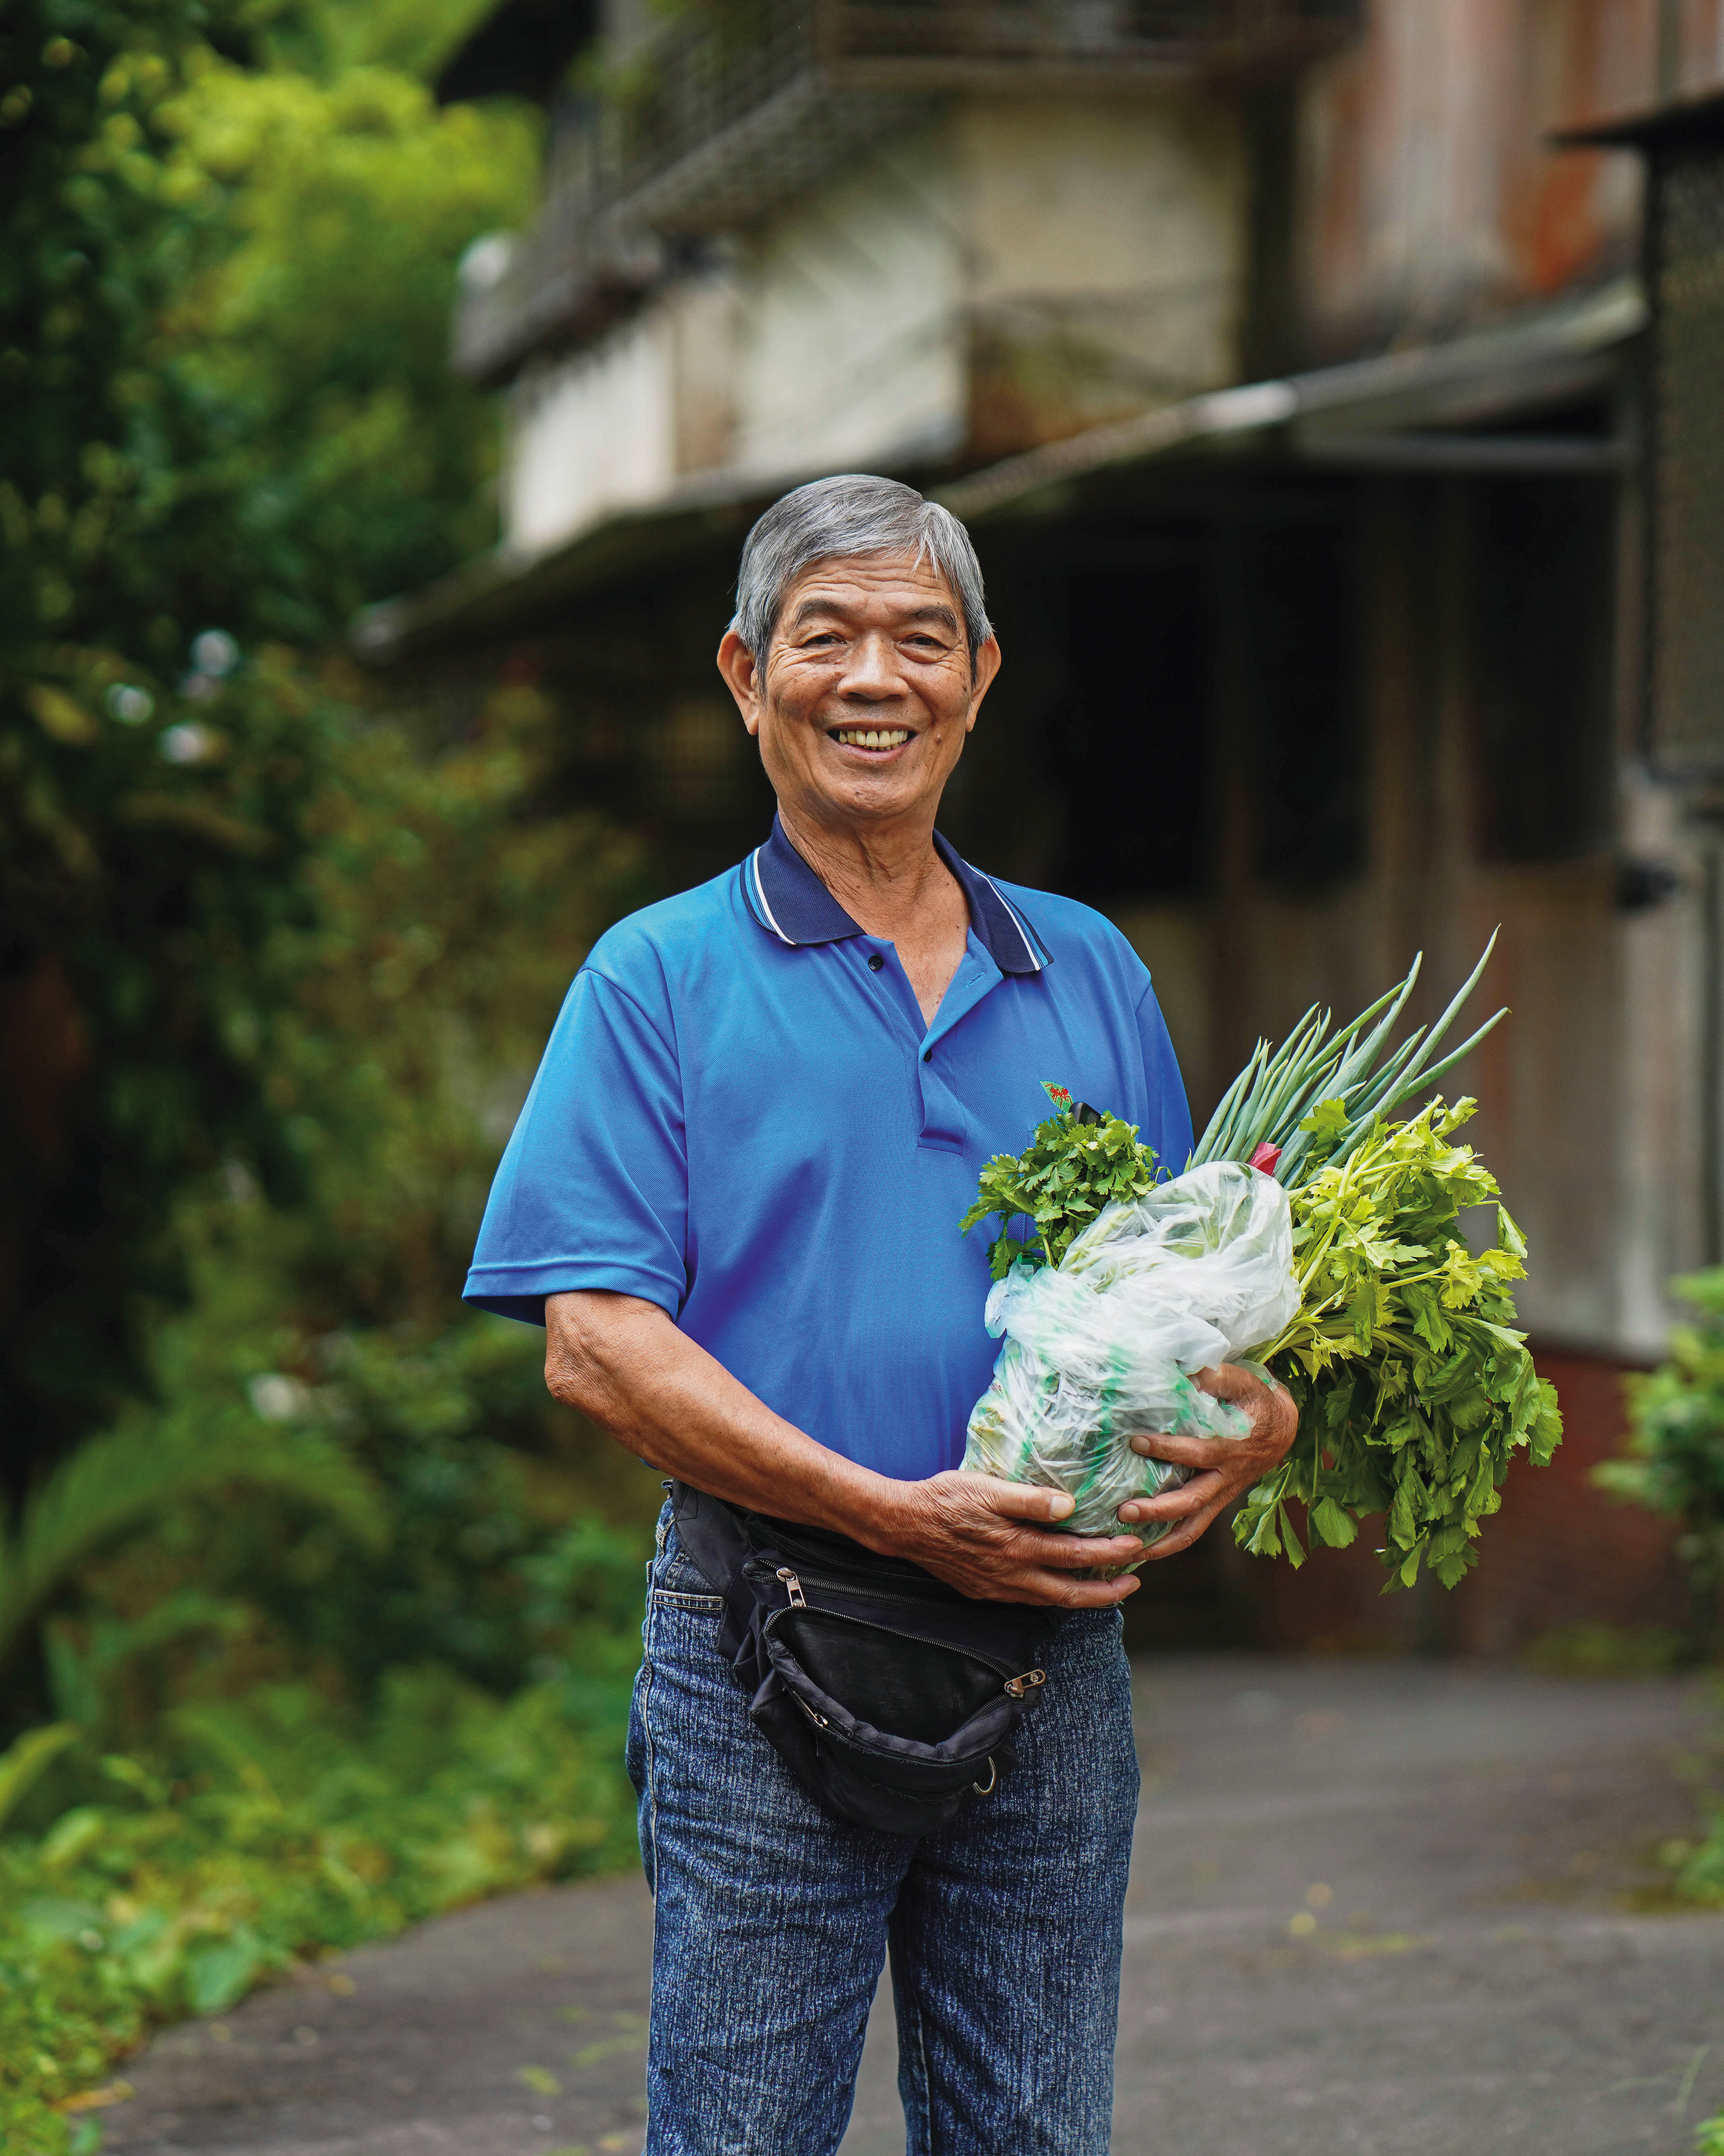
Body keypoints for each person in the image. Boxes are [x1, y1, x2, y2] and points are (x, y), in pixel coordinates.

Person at [463, 473, 1299, 2156]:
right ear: (745, 676)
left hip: (1052, 1660)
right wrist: (894, 1518)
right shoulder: (660, 975)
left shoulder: (1088, 971)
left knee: (1035, 2140)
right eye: (825, 636)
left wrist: (1262, 1418)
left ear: (982, 679)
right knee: (746, 2135)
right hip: (763, 1639)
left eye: (921, 640)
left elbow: (1185, 1286)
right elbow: (596, 1345)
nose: (874, 679)